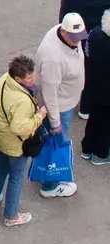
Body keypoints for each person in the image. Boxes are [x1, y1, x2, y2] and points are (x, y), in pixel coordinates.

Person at [0, 55, 50, 227]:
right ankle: (11, 216)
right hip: (16, 145)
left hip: (1, 138)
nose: (33, 79)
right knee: (16, 178)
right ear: (18, 78)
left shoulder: (2, 81)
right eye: (29, 78)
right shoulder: (22, 100)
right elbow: (19, 128)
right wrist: (39, 116)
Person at [33, 12, 88, 198]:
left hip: (66, 100)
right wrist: (55, 121)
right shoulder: (53, 59)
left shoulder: (63, 35)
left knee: (53, 144)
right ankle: (50, 186)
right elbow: (49, 92)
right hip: (59, 107)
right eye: (74, 38)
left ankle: (51, 177)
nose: (77, 42)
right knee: (55, 145)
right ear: (63, 33)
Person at [80, 9, 110, 165]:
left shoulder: (95, 34)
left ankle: (87, 148)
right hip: (107, 94)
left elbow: (87, 53)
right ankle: (100, 154)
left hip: (93, 85)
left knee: (94, 119)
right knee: (105, 126)